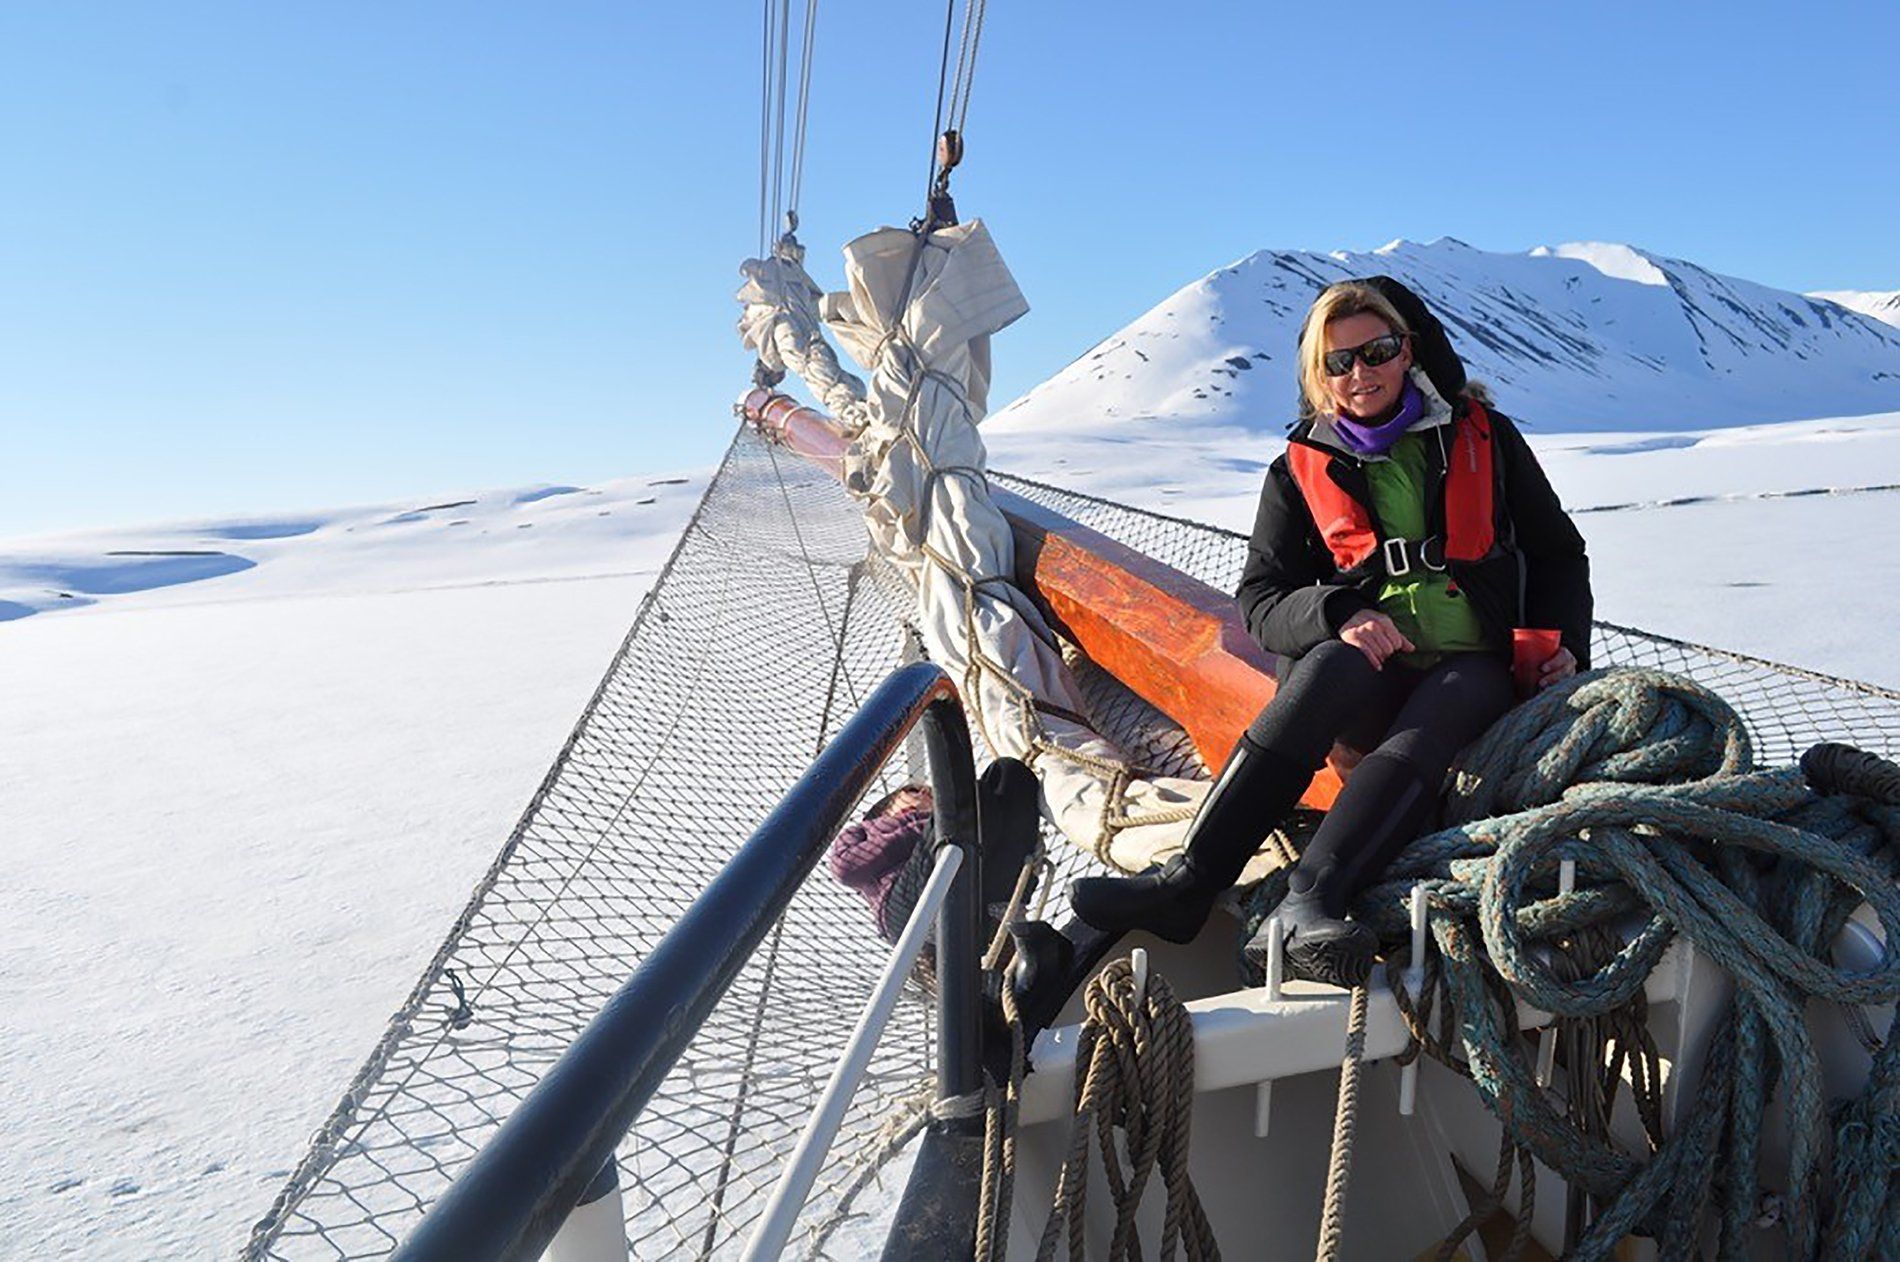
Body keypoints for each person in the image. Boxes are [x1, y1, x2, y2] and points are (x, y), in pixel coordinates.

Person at [1068, 276, 1593, 987]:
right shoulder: (1298, 468)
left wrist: (1565, 649)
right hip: (1370, 681)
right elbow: (1260, 599)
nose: (1360, 373)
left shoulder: (1485, 437)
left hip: (1477, 667)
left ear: (1409, 352)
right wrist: (1339, 614)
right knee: (1326, 669)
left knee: (1437, 713)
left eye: (1376, 351)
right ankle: (1189, 884)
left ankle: (1308, 903)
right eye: (1338, 362)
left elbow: (1558, 552)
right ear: (1318, 377)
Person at [828, 757, 1042, 952]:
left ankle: (999, 919)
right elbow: (845, 866)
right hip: (904, 906)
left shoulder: (940, 821)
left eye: (930, 793)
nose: (925, 793)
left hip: (972, 881)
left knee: (1008, 773)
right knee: (967, 798)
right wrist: (922, 823)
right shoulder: (865, 831)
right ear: (885, 811)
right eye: (913, 791)